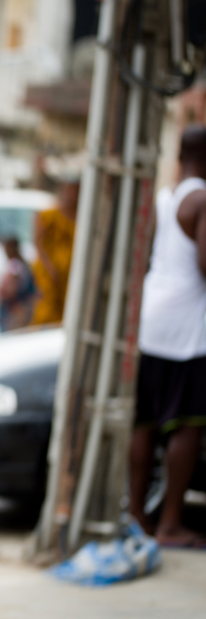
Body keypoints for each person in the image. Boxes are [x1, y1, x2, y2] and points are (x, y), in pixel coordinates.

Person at [128, 125, 206, 548]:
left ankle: (138, 515)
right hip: (187, 333)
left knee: (145, 424)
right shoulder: (201, 199)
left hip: (152, 323)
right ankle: (172, 522)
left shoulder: (164, 196)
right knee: (187, 427)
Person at [30, 179, 79, 325]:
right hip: (51, 278)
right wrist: (50, 268)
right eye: (70, 190)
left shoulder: (83, 218)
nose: (73, 195)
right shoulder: (49, 215)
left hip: (71, 279)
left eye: (76, 191)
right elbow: (38, 243)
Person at [0, 237, 36, 332]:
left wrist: (5, 294)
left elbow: (11, 288)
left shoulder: (14, 265)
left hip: (11, 309)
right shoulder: (23, 264)